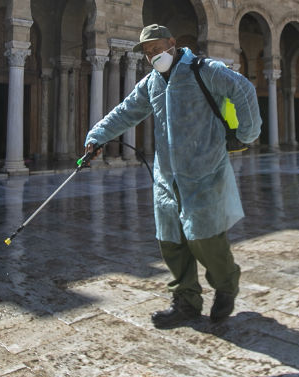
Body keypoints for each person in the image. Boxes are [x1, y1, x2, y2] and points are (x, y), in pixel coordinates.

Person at [84, 24, 262, 329]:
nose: (154, 55)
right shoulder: (152, 83)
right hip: (167, 176)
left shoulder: (203, 70)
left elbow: (243, 88)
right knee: (171, 242)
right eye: (148, 52)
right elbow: (126, 111)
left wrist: (247, 134)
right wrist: (97, 136)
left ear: (172, 42)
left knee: (206, 238)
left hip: (204, 171)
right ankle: (186, 301)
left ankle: (226, 284)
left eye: (158, 47)